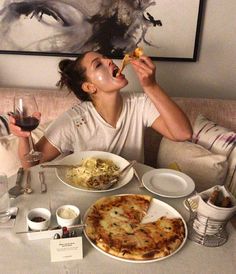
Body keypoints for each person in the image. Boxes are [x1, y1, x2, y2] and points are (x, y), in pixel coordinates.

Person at [9, 51, 192, 168]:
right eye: (99, 64)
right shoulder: (75, 121)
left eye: (106, 58)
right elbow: (31, 164)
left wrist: (151, 86)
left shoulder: (139, 104)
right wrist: (23, 138)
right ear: (89, 87)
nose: (109, 61)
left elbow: (183, 133)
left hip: (132, 197)